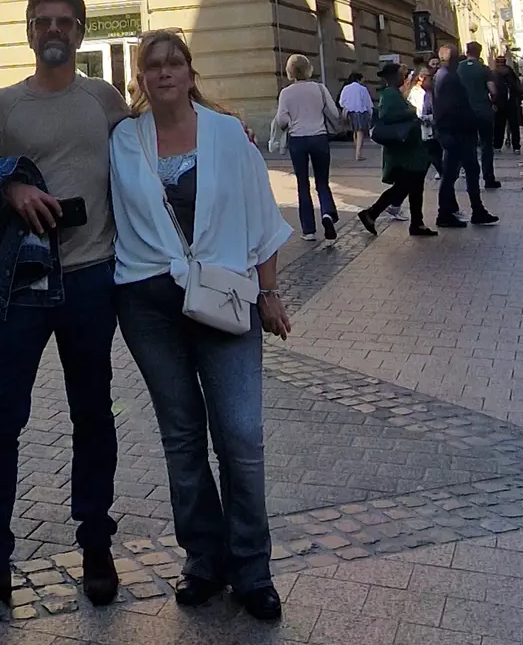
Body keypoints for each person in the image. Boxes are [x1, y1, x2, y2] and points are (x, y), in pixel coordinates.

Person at [0, 0, 129, 626]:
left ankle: (96, 545)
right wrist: (11, 187)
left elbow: (144, 159)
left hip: (91, 277)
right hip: (18, 283)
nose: (53, 30)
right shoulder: (3, 106)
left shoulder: (104, 100)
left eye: (65, 22)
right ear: (28, 31)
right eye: (42, 21)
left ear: (80, 32)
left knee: (92, 414)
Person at [111, 31, 291, 622]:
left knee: (240, 434)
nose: (164, 72)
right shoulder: (123, 140)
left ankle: (253, 569)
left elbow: (261, 213)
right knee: (182, 436)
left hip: (225, 297)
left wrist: (269, 292)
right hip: (148, 304)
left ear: (190, 73)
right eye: (153, 65)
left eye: (174, 63)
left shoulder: (227, 134)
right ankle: (204, 561)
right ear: (141, 78)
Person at [357, 63, 436, 238]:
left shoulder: (393, 93)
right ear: (393, 76)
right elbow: (388, 116)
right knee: (404, 186)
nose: (404, 77)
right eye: (402, 74)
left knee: (414, 186)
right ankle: (372, 213)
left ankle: (417, 223)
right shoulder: (390, 94)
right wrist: (411, 112)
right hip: (404, 153)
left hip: (409, 151)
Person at [273, 55, 340, 242]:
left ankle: (308, 230)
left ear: (290, 71)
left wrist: (291, 120)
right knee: (322, 182)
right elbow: (334, 113)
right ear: (309, 69)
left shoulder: (286, 93)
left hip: (298, 140)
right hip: (319, 138)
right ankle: (327, 213)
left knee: (302, 184)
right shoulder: (320, 88)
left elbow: (281, 119)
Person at [433, 46, 498, 229]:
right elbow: (453, 107)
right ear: (453, 59)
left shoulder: (441, 75)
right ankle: (448, 213)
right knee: (456, 172)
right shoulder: (450, 78)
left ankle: (474, 210)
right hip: (458, 132)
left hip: (454, 131)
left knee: (460, 171)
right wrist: (468, 123)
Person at [458, 41, 498, 189]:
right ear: (479, 52)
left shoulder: (458, 68)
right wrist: (493, 102)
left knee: (468, 146)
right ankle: (489, 178)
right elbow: (493, 90)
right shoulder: (484, 69)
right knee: (486, 145)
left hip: (464, 112)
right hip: (483, 111)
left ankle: (471, 179)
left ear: (466, 51)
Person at [338, 72, 374, 162]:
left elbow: (341, 102)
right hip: (361, 112)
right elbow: (367, 102)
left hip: (350, 112)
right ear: (359, 79)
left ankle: (357, 150)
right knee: (360, 132)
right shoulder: (362, 89)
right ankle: (358, 153)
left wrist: (347, 106)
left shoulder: (346, 88)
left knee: (355, 131)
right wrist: (371, 112)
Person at [490, 57, 523, 153]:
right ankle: (516, 146)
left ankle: (497, 145)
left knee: (499, 125)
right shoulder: (511, 72)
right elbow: (518, 88)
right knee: (514, 125)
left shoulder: (494, 73)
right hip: (512, 102)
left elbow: (492, 89)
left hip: (499, 103)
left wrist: (493, 102)